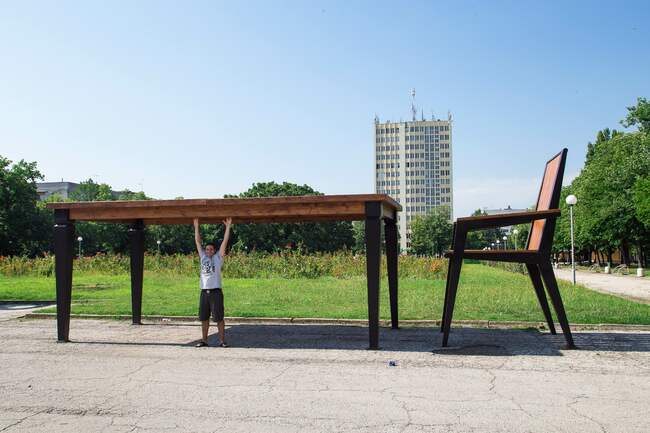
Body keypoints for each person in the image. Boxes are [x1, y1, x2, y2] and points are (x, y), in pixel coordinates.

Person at [193, 217, 232, 347]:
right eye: (207, 249)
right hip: (204, 292)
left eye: (211, 249)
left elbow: (224, 243)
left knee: (219, 318)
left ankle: (222, 341)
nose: (209, 251)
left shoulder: (218, 258)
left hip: (216, 292)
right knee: (204, 318)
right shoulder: (203, 257)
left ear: (214, 250)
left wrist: (228, 227)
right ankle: (204, 340)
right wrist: (197, 226)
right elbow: (198, 242)